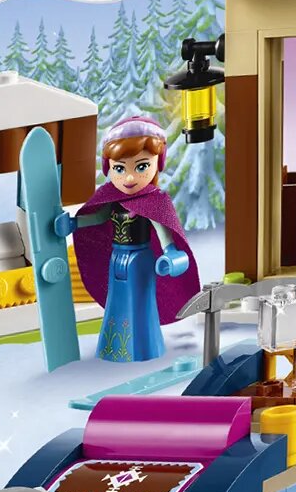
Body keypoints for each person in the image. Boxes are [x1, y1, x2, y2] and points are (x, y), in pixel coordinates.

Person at [55, 116, 200, 363]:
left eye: (141, 167)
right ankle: (114, 348)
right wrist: (75, 223)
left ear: (157, 163)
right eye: (120, 169)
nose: (129, 178)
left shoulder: (155, 202)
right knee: (117, 301)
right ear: (109, 167)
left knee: (140, 302)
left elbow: (164, 233)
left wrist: (171, 253)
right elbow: (99, 217)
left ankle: (144, 349)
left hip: (141, 260)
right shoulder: (111, 199)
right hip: (117, 257)